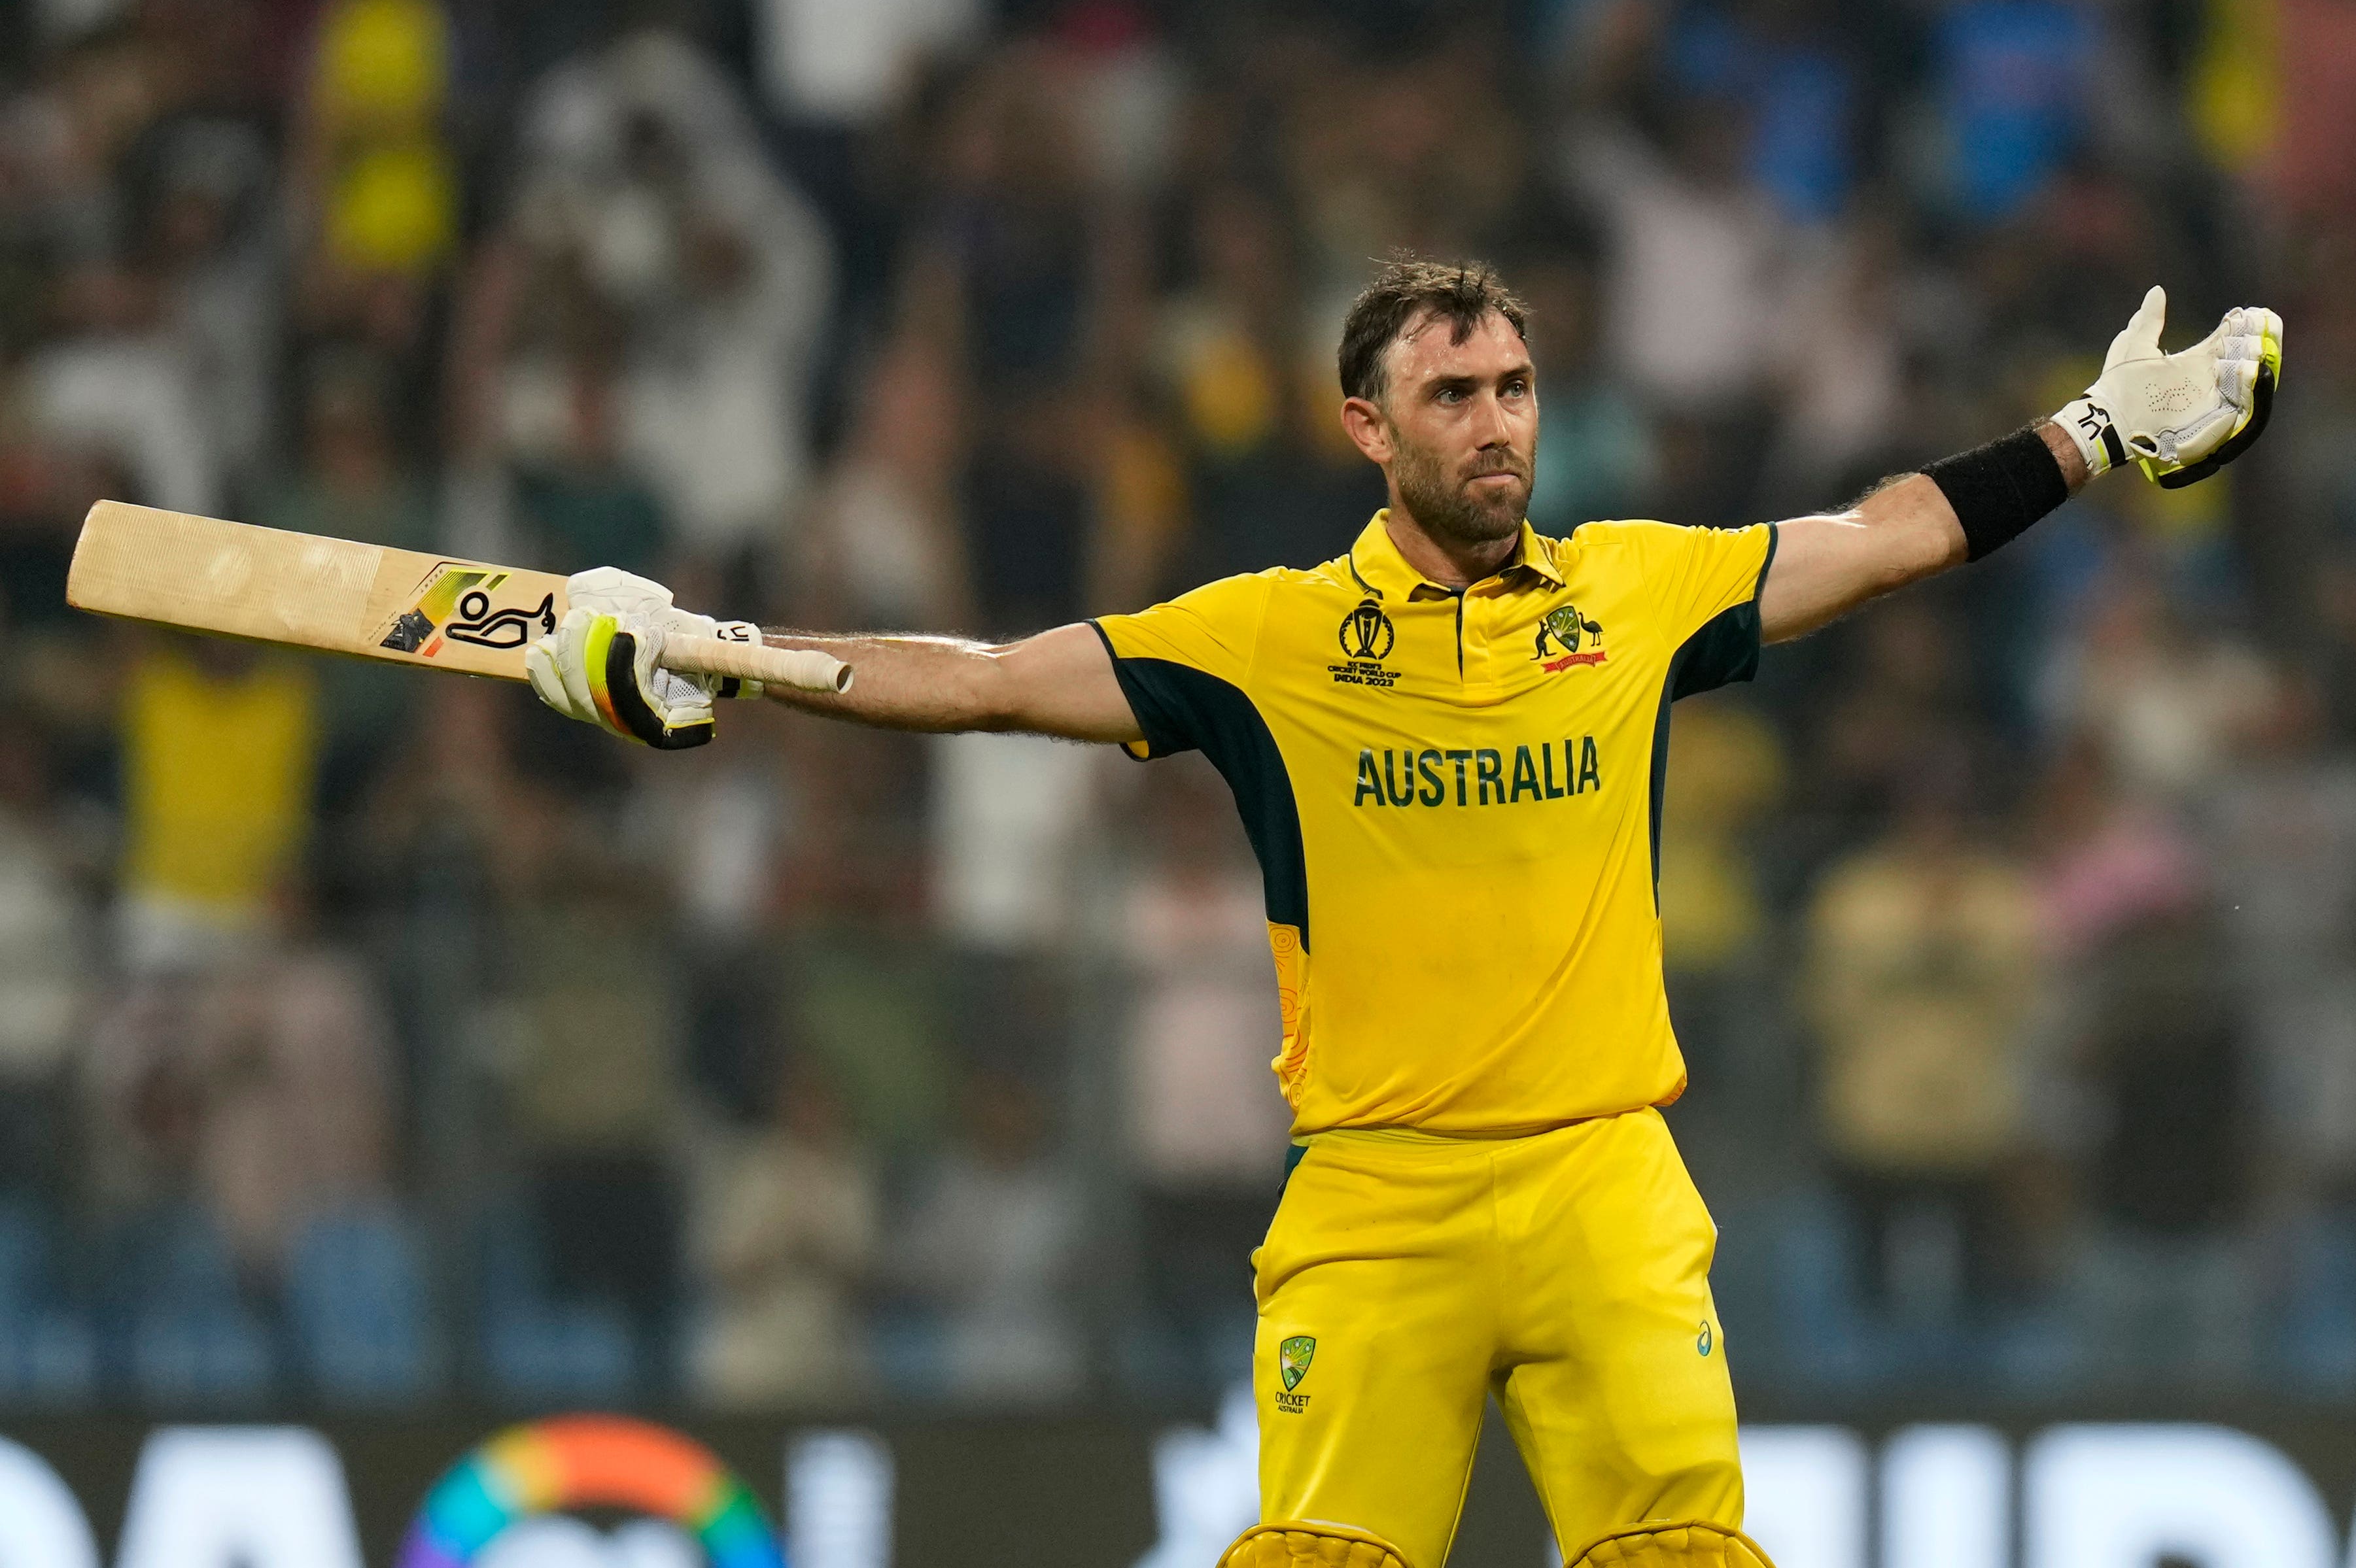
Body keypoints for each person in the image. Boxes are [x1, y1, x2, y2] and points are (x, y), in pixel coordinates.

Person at [524, 260, 2281, 1568]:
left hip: (1601, 1173)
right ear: (1367, 427)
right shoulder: (1265, 639)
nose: (1497, 422)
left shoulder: (1634, 592)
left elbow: (1883, 532)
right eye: (1452, 396)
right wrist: (721, 652)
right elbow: (983, 679)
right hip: (1376, 1196)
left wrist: (2095, 433)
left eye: (1514, 385)